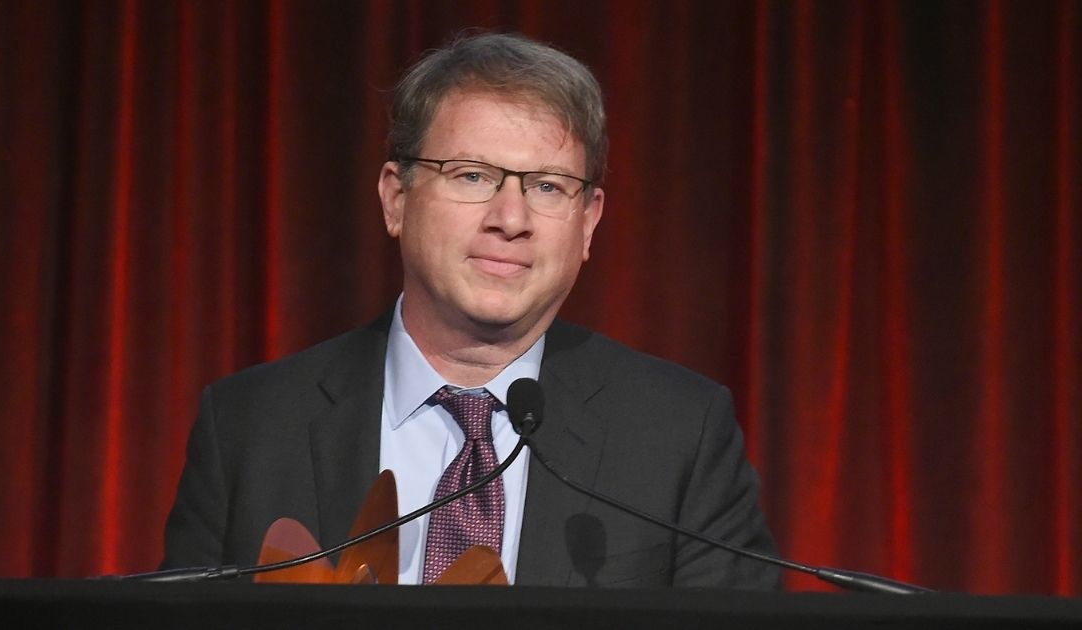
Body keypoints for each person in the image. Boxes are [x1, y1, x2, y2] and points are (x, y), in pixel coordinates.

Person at [161, 31, 779, 588]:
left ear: (588, 223)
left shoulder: (678, 434)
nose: (510, 220)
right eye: (472, 176)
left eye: (546, 187)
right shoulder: (250, 427)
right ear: (396, 199)